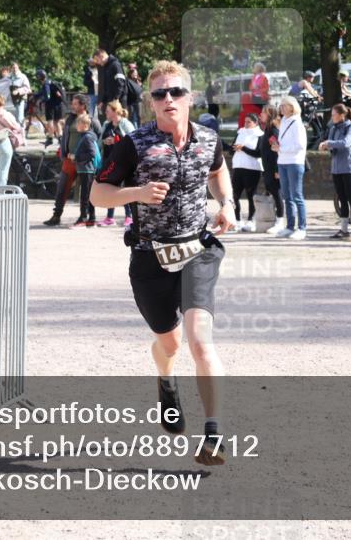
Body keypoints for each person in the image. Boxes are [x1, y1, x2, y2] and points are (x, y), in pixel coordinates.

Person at [90, 59, 234, 466]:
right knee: (169, 342)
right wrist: (135, 192)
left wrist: (227, 203)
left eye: (175, 92)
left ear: (189, 97)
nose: (168, 99)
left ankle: (214, 434)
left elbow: (219, 172)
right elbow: (98, 196)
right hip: (150, 256)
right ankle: (166, 380)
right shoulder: (134, 144)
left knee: (200, 339)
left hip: (197, 251)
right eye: (159, 94)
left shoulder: (209, 139)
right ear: (151, 102)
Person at [43, 94, 102, 226]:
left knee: (87, 190)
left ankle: (86, 217)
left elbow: (97, 137)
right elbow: (65, 137)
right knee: (62, 188)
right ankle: (56, 215)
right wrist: (63, 153)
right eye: (73, 103)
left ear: (83, 105)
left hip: (85, 161)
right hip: (69, 160)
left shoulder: (92, 120)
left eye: (76, 104)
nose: (73, 106)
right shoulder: (70, 119)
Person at [319, 103, 351, 241]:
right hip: (336, 169)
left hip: (349, 168)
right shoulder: (333, 129)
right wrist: (326, 146)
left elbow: (346, 143)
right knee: (342, 199)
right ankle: (343, 229)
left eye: (334, 115)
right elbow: (333, 146)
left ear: (342, 115)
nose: (332, 117)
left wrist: (329, 143)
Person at [273, 95, 307, 239]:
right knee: (287, 196)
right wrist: (279, 149)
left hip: (294, 162)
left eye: (284, 105)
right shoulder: (284, 121)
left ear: (292, 107)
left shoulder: (297, 123)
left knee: (297, 196)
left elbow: (299, 145)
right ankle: (290, 226)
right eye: (281, 105)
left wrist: (281, 149)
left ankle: (302, 228)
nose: (281, 107)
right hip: (283, 162)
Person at [97, 100, 135, 227]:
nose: (105, 113)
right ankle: (109, 217)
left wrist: (116, 140)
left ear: (114, 111)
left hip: (124, 161)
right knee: (110, 188)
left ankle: (129, 216)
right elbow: (99, 141)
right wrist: (104, 141)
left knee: (125, 188)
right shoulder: (106, 124)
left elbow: (133, 140)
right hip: (109, 160)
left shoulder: (125, 123)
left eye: (107, 111)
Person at [230, 112, 265, 233]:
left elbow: (258, 153)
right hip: (238, 166)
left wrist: (243, 148)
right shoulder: (240, 132)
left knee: (251, 196)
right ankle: (237, 220)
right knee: (234, 195)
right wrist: (233, 148)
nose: (245, 124)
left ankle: (251, 220)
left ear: (255, 123)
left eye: (248, 122)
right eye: (245, 121)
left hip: (252, 168)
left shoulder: (260, 135)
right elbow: (232, 149)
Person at [70, 114, 100, 228]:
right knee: (89, 195)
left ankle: (83, 218)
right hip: (86, 169)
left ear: (85, 125)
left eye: (79, 123)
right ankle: (91, 218)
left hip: (87, 170)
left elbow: (91, 153)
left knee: (85, 195)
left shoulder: (87, 137)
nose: (76, 125)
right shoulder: (86, 136)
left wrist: (76, 157)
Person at [258, 105, 284, 234]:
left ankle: (280, 221)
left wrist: (277, 169)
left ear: (269, 114)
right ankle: (275, 219)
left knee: (277, 194)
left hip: (273, 167)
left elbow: (276, 151)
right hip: (267, 167)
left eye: (263, 112)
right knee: (273, 193)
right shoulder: (267, 129)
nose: (260, 114)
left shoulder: (273, 129)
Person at [93, 49, 128, 119]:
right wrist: (103, 101)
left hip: (118, 100)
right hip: (111, 100)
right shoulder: (106, 67)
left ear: (101, 56)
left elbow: (120, 83)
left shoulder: (115, 65)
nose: (97, 63)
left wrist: (116, 98)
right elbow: (107, 87)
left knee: (120, 121)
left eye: (97, 60)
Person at [36, 69, 66, 144]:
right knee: (57, 122)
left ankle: (50, 138)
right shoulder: (50, 82)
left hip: (51, 106)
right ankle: (60, 138)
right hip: (59, 105)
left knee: (50, 122)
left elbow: (47, 96)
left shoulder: (46, 84)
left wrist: (41, 101)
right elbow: (41, 92)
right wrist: (36, 96)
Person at [240, 62, 269, 128]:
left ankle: (264, 126)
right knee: (255, 113)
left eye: (255, 67)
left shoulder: (264, 77)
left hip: (262, 98)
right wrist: (253, 88)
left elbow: (266, 88)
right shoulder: (254, 77)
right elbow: (250, 87)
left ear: (258, 68)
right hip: (255, 97)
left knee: (262, 113)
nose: (253, 69)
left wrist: (258, 88)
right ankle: (256, 125)